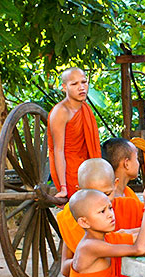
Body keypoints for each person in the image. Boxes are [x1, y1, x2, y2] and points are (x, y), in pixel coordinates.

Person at [48, 67, 101, 198]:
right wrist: (63, 187)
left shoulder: (85, 109)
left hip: (88, 168)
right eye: (74, 84)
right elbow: (58, 150)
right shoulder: (61, 112)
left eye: (83, 82)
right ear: (64, 87)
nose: (81, 87)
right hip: (69, 172)